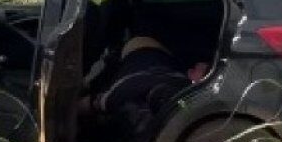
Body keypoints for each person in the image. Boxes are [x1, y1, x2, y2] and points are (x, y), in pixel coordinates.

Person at [79, 36, 207, 122]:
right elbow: (97, 102)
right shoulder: (129, 88)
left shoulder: (129, 88)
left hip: (141, 53)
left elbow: (97, 103)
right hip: (146, 53)